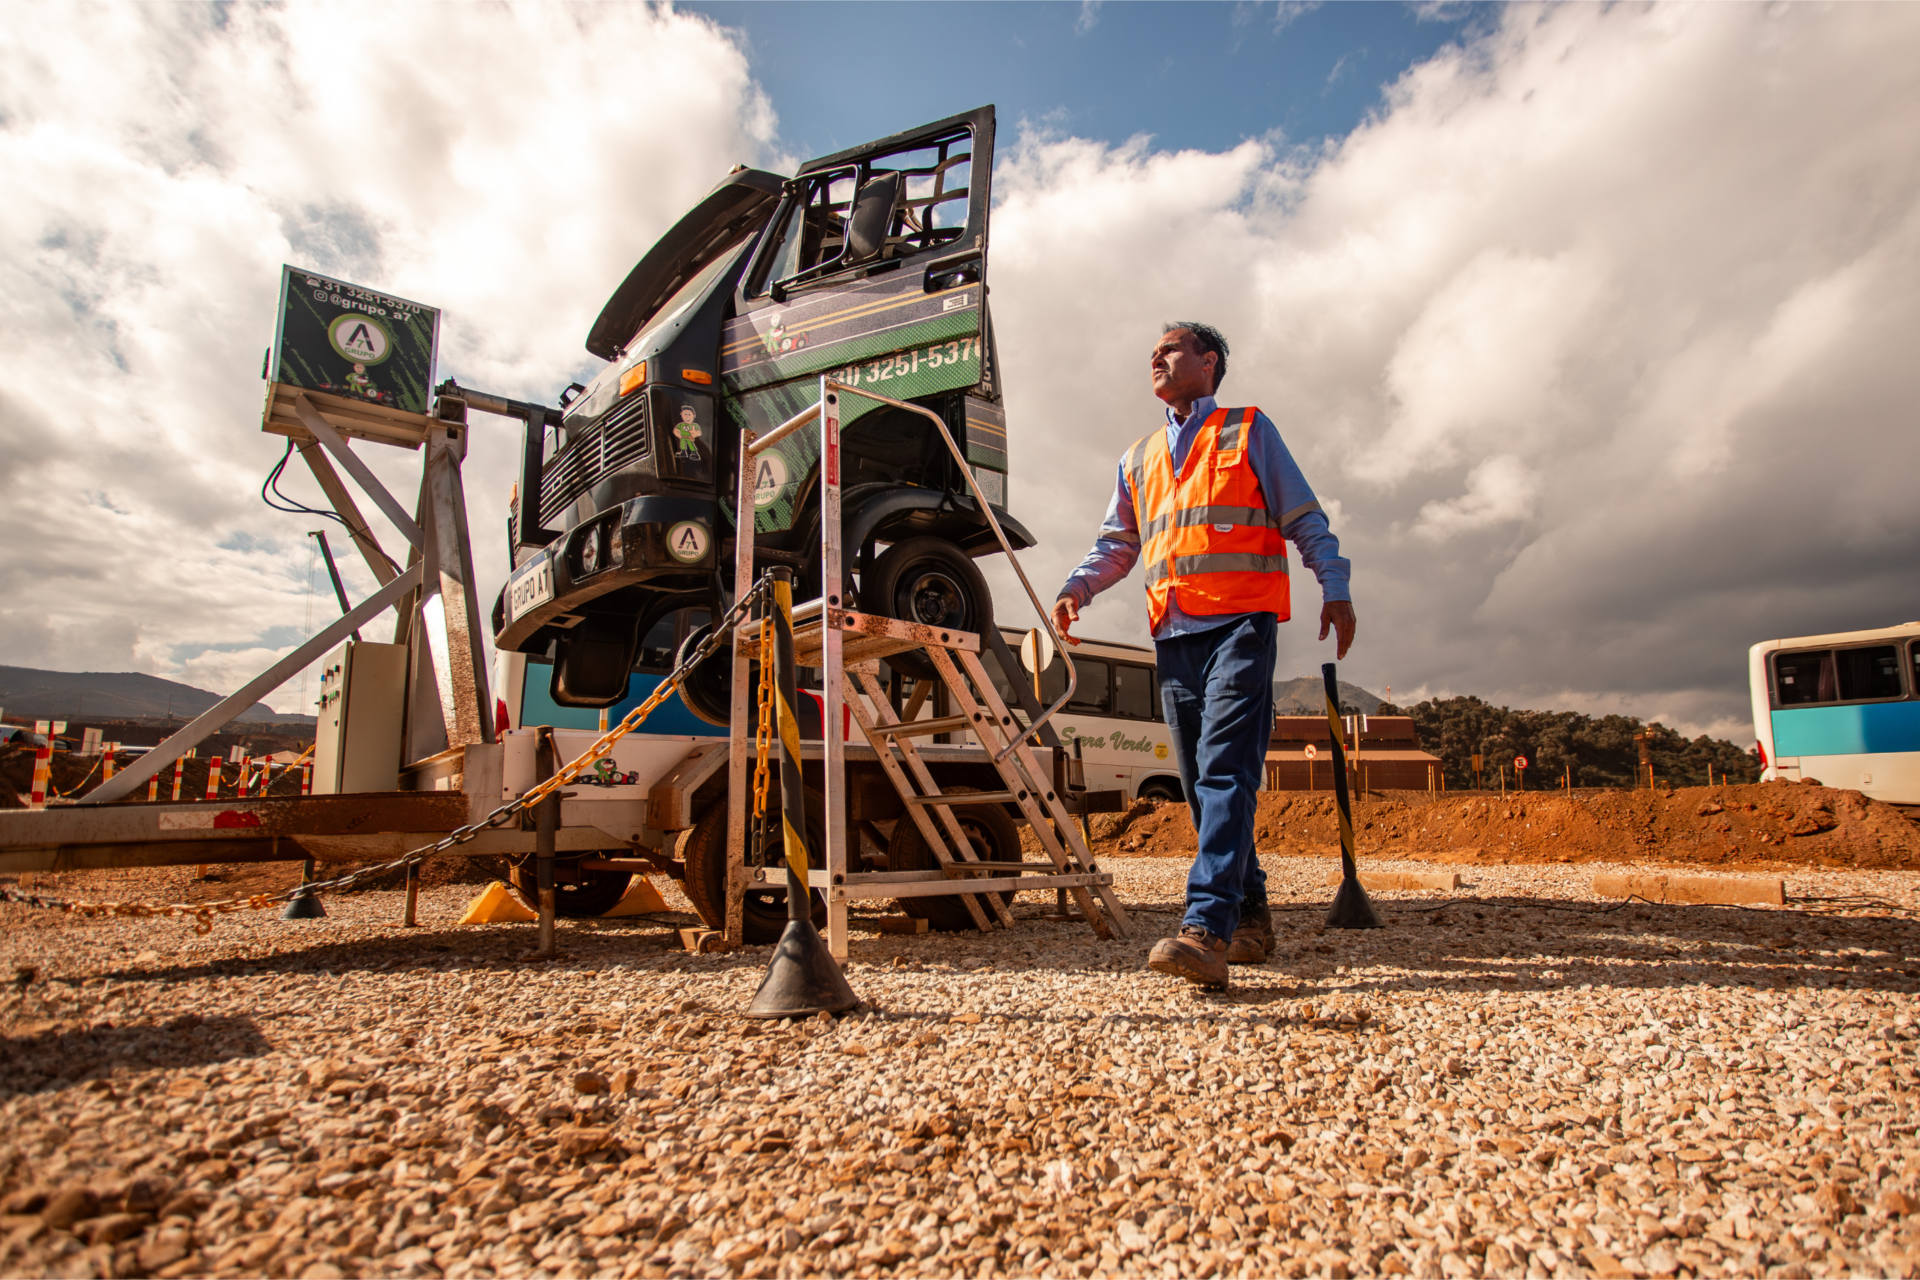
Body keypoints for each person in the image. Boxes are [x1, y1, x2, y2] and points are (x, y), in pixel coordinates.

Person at [1054, 322, 1355, 989]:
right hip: (1175, 635)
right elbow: (1117, 544)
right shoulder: (1138, 457)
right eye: (1154, 352)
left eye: (1170, 349)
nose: (1155, 358)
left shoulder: (1249, 430)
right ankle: (1251, 916)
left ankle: (1207, 930)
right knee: (1198, 784)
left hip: (1240, 626)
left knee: (1225, 772)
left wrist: (1334, 585)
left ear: (1208, 361)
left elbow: (1304, 518)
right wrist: (1078, 586)